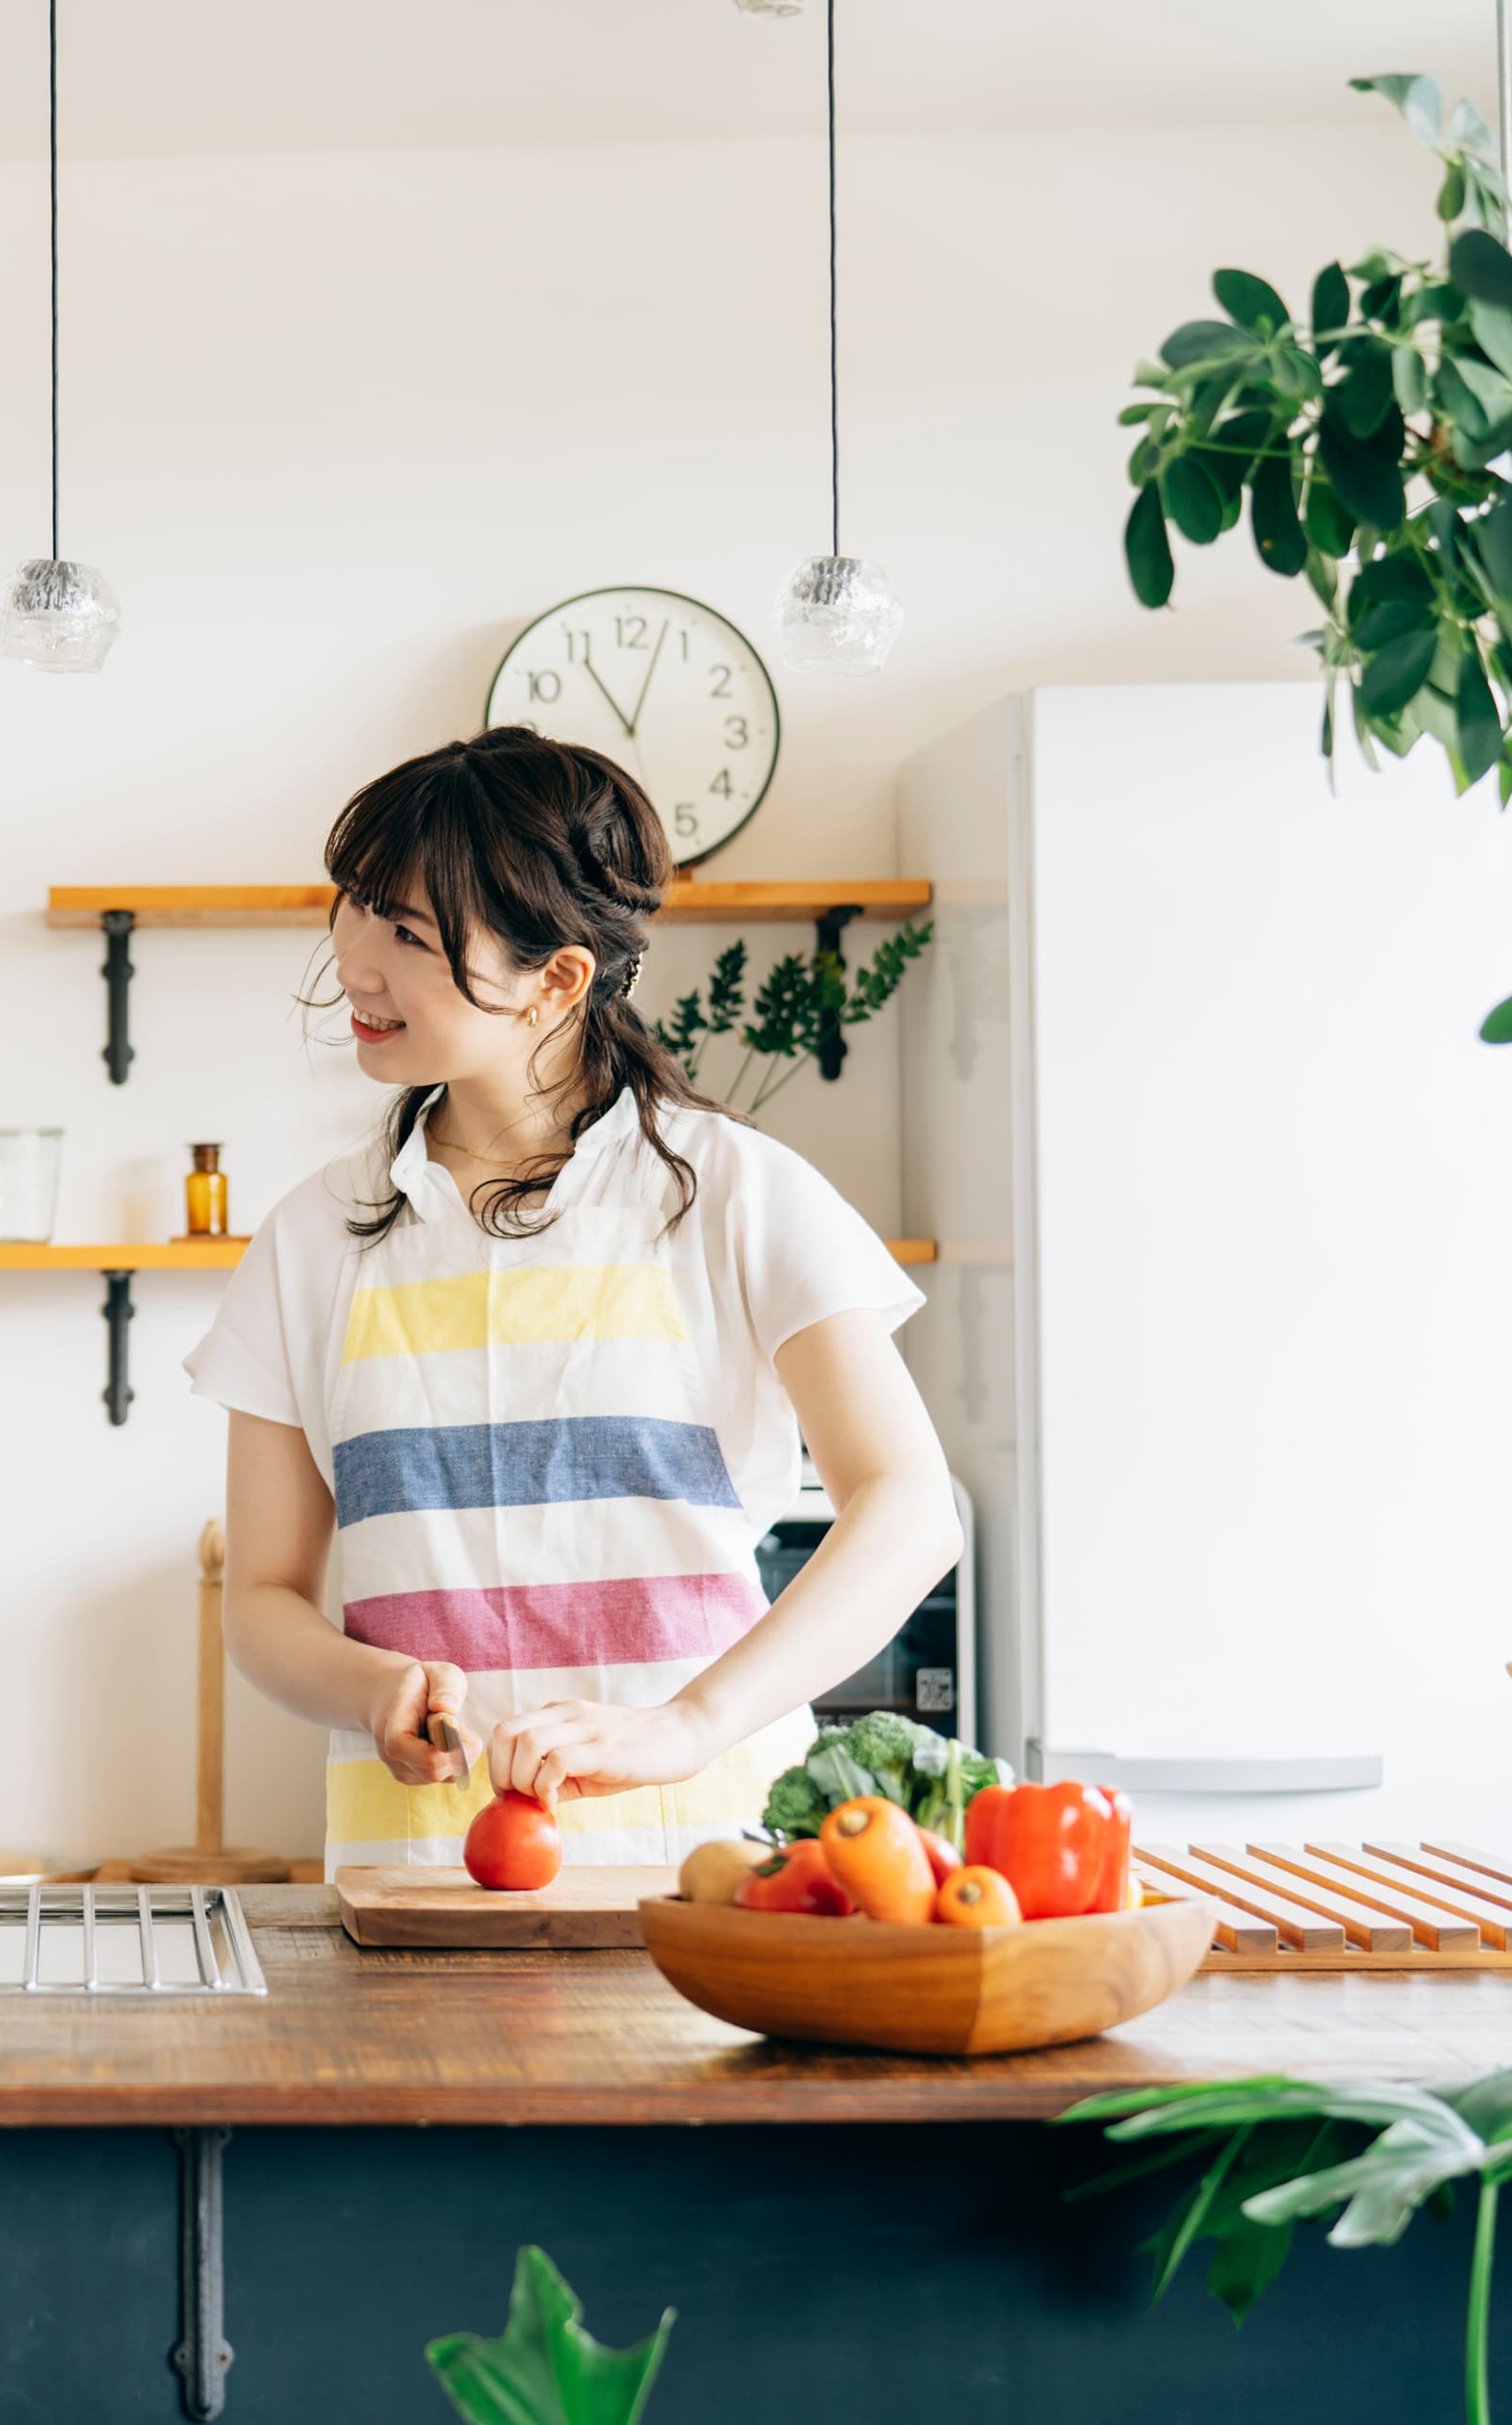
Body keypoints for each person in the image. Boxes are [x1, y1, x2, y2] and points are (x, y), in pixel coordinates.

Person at [189, 726, 959, 1871]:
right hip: (416, 1880)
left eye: (407, 931)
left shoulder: (734, 1193)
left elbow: (910, 1510)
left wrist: (682, 1724)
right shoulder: (314, 1239)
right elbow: (260, 1596)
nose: (354, 960)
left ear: (557, 979)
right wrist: (373, 1685)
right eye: (356, 904)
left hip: (717, 1873)